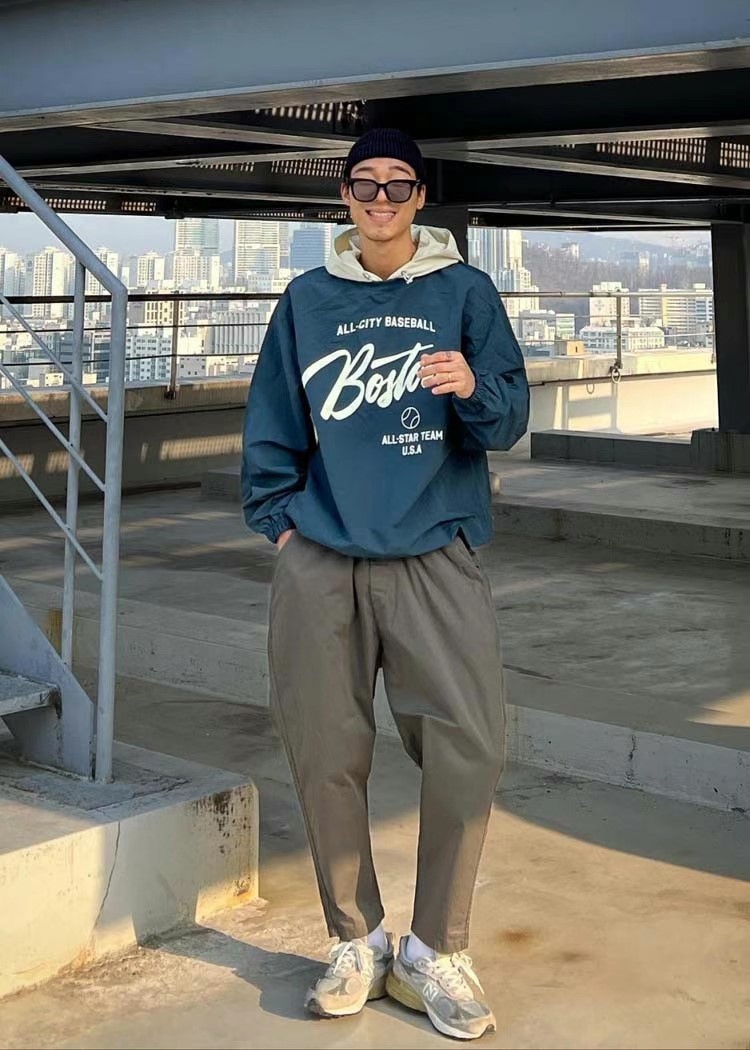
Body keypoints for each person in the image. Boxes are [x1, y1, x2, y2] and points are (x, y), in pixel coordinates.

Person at [242, 127, 529, 1041]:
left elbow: (508, 418)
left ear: (419, 198)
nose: (380, 200)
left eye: (397, 185)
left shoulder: (463, 292)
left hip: (433, 550)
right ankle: (356, 941)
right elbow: (273, 420)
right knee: (325, 748)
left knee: (469, 745)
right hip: (322, 556)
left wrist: (470, 384)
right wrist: (282, 524)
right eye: (363, 184)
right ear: (344, 196)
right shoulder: (308, 298)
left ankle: (435, 949)